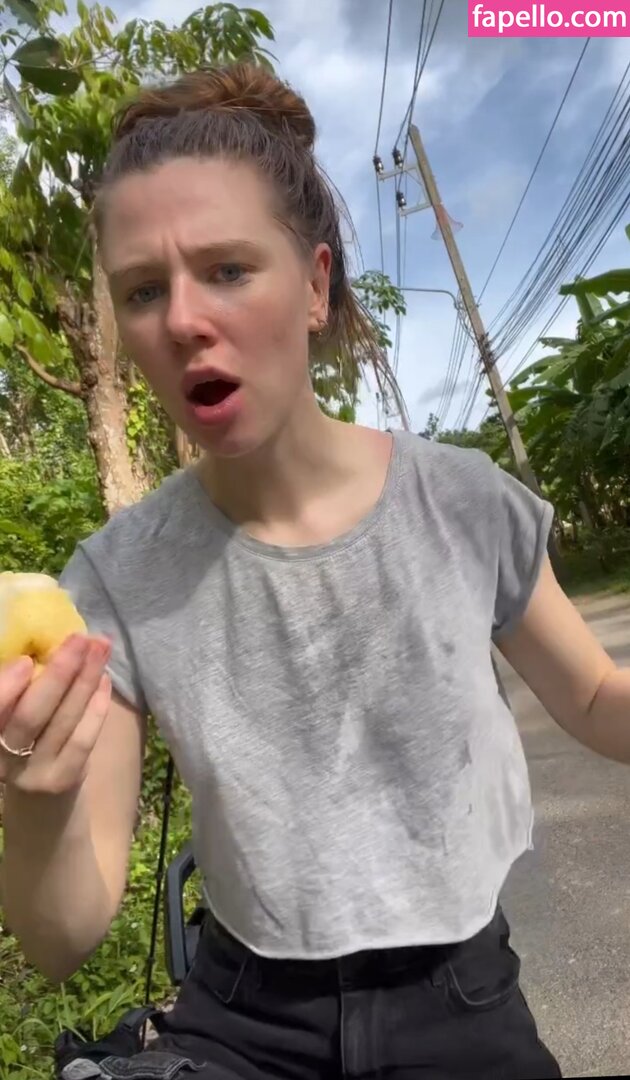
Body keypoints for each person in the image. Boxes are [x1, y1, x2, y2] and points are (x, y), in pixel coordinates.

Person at [1, 61, 629, 1080]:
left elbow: (596, 698)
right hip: (242, 1020)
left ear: (314, 284)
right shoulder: (114, 579)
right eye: (143, 291)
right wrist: (36, 793)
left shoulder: (462, 502)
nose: (183, 319)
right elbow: (63, 934)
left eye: (228, 269)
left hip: (460, 999)